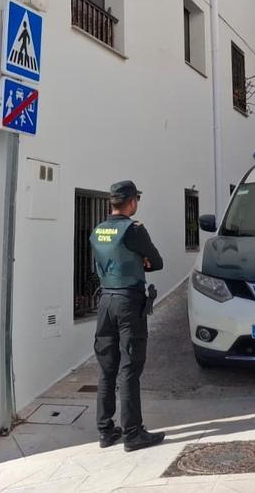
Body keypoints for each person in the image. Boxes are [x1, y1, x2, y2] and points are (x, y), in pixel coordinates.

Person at [90, 180, 166, 451]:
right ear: (132, 202)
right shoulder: (134, 230)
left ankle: (106, 430)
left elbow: (98, 265)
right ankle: (133, 433)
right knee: (130, 367)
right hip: (128, 302)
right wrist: (142, 261)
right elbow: (156, 261)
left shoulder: (98, 231)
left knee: (107, 367)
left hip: (105, 301)